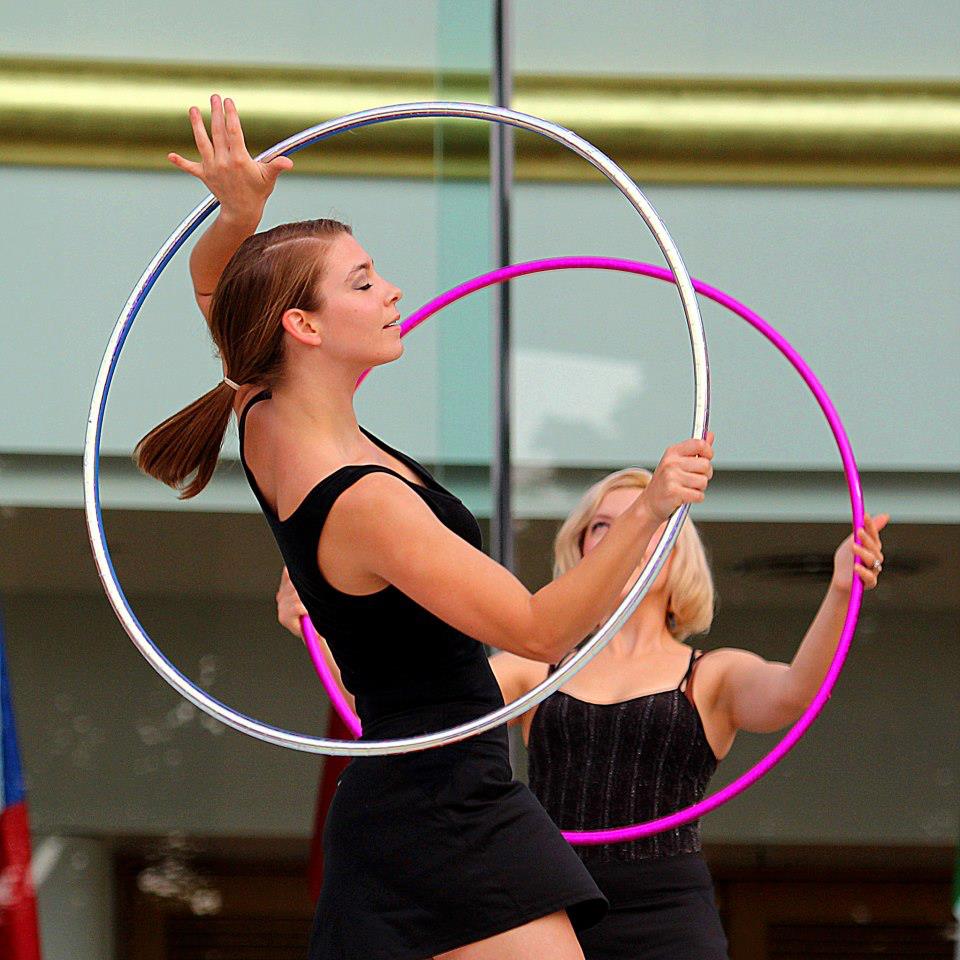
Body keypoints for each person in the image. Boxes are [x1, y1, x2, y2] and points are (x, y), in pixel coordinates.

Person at [135, 94, 716, 960]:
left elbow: (218, 285)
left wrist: (239, 216)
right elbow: (541, 628)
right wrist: (654, 512)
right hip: (440, 803)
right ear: (303, 325)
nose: (393, 289)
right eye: (363, 281)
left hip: (429, 792)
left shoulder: (263, 411)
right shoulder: (360, 500)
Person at [280, 468, 886, 960]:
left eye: (648, 519)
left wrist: (840, 592)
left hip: (671, 919)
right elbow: (408, 714)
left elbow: (793, 695)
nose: (624, 533)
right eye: (602, 526)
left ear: (678, 553)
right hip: (550, 905)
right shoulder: (534, 667)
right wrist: (320, 624)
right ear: (581, 549)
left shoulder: (713, 673)